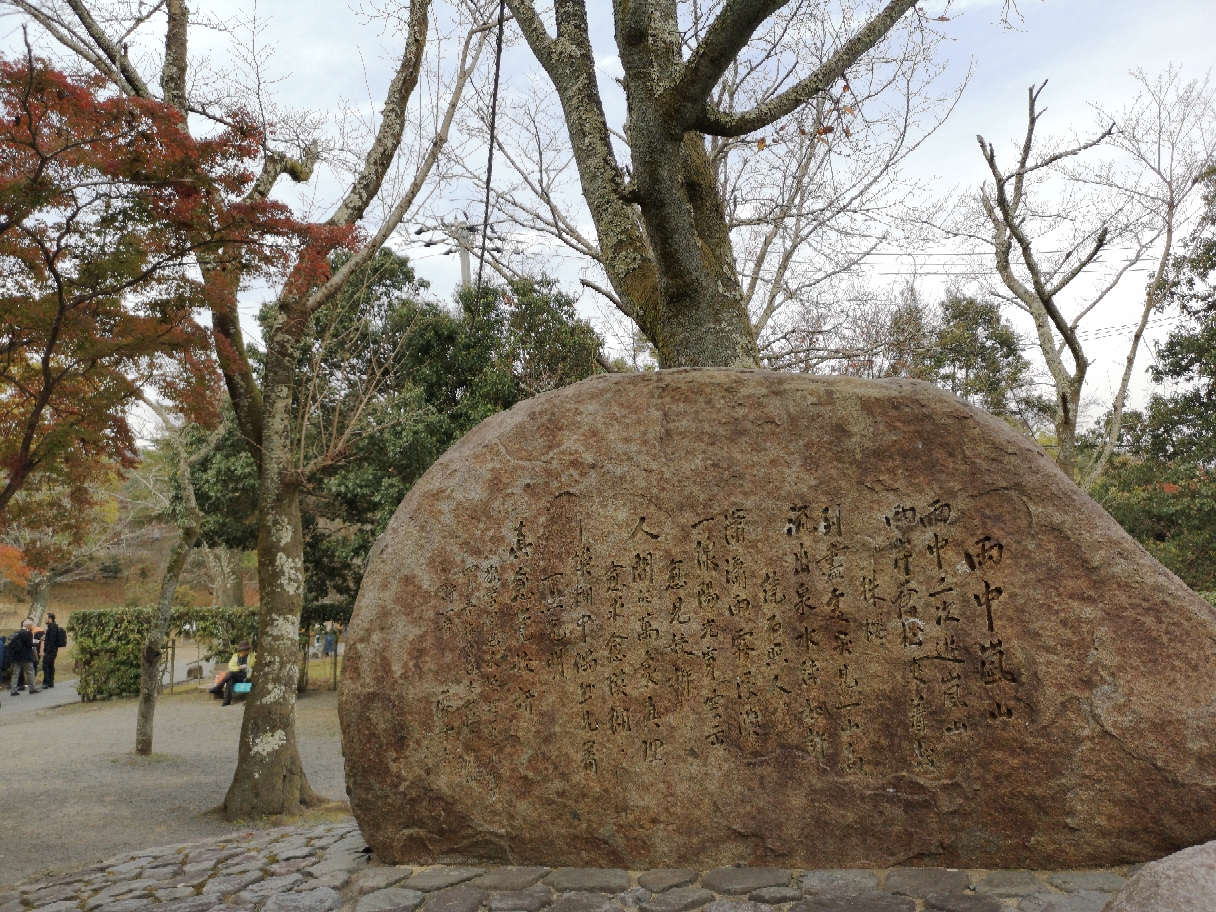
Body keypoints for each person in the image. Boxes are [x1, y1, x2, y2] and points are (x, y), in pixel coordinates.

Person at [209, 641, 255, 706]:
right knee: (230, 679)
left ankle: (218, 687)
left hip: (246, 675)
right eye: (245, 650)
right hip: (236, 674)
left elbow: (252, 666)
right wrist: (239, 668)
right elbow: (231, 667)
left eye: (247, 649)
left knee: (231, 674)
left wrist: (246, 667)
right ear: (241, 650)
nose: (246, 651)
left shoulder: (252, 656)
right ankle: (226, 702)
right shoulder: (235, 656)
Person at [8, 619, 41, 696]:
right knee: (30, 672)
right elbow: (29, 644)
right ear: (29, 626)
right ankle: (32, 688)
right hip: (26, 657)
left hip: (17, 657)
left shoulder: (17, 633)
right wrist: (36, 643)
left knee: (15, 673)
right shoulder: (28, 633)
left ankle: (13, 690)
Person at [42, 613, 64, 688]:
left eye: (46, 618)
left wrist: (48, 650)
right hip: (52, 649)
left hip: (51, 650)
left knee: (46, 665)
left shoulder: (52, 627)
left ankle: (47, 681)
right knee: (50, 665)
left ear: (50, 619)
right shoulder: (52, 627)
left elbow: (52, 640)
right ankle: (50, 681)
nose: (45, 620)